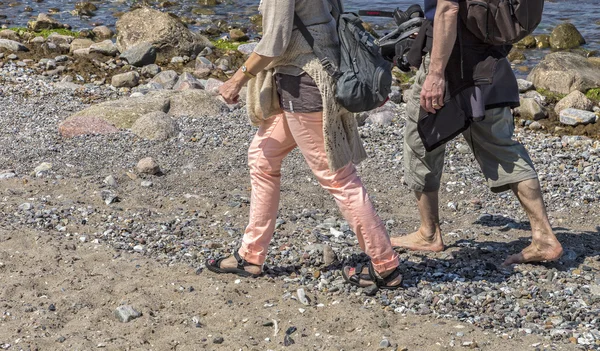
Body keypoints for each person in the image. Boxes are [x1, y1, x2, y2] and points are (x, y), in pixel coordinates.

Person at [207, 0, 402, 290]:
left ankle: (386, 267)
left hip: (305, 87)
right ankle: (250, 255)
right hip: (315, 77)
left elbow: (273, 43)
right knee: (262, 157)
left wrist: (235, 81)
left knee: (339, 178)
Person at [392, 0, 563, 265]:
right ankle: (544, 236)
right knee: (501, 145)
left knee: (421, 141)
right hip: (488, 57)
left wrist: (435, 73)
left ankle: (428, 233)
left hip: (451, 57)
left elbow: (448, 7)